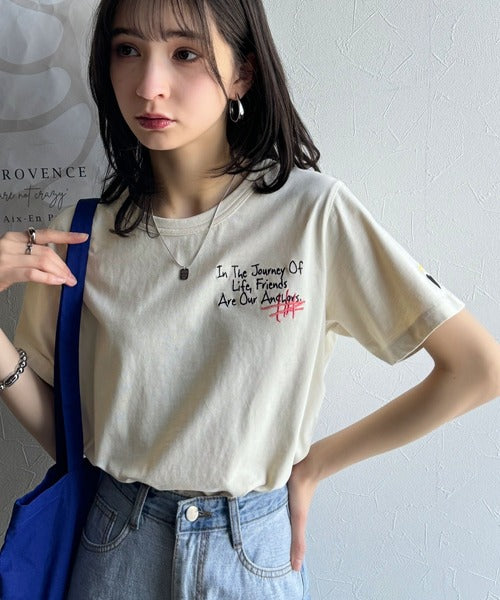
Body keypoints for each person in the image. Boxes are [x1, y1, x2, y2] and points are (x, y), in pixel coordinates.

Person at [0, 0, 499, 598]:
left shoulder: (310, 215)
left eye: (186, 53)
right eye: (127, 49)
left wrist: (316, 465)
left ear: (242, 73)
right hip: (115, 549)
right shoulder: (78, 237)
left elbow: (477, 368)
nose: (150, 85)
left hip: (250, 552)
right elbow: (71, 438)